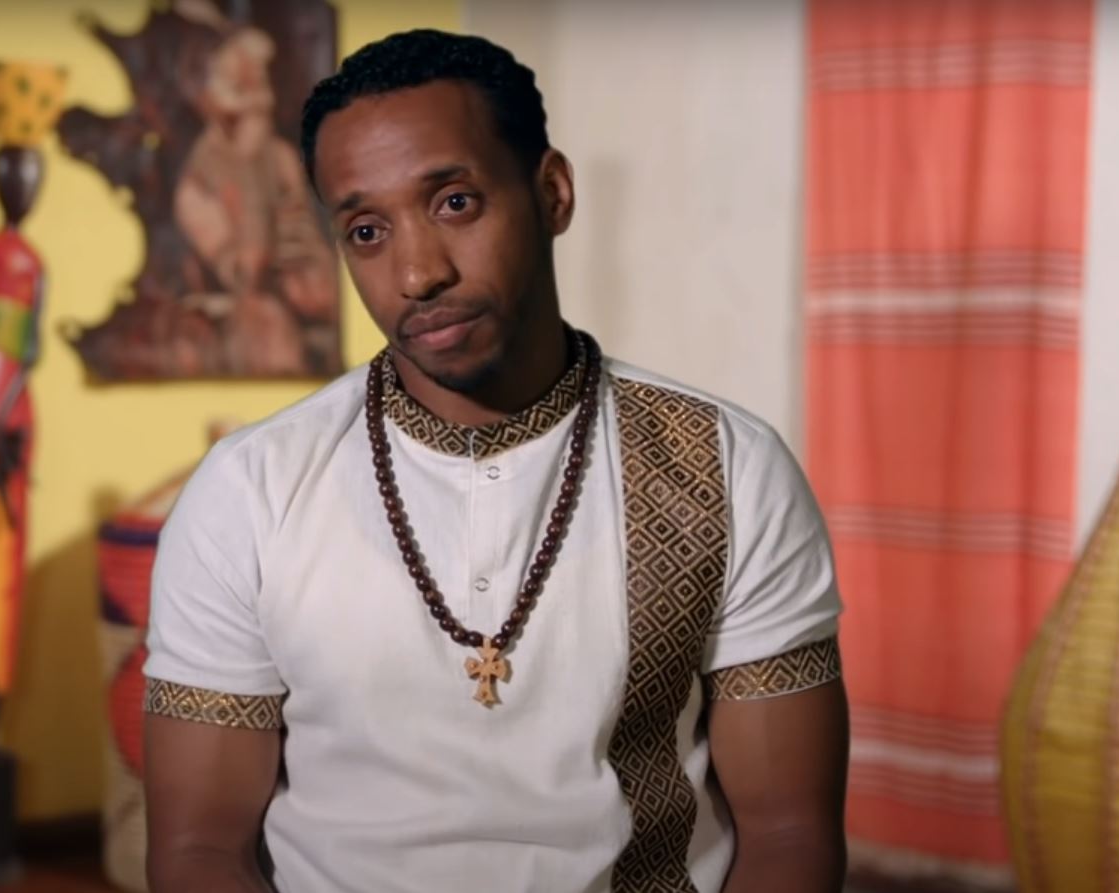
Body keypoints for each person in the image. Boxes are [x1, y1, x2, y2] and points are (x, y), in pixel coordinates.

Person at [140, 28, 849, 893]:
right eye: (366, 230)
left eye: (454, 203)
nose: (416, 272)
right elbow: (198, 850)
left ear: (551, 193)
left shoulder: (726, 469)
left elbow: (787, 833)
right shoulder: (249, 491)